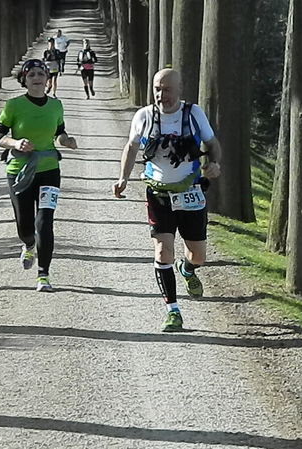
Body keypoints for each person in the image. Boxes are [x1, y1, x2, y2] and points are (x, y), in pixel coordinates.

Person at [113, 68, 222, 332]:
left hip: (191, 191)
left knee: (198, 255)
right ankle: (173, 310)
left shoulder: (193, 114)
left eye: (168, 89)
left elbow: (212, 143)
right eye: (158, 89)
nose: (163, 95)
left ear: (180, 89)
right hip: (158, 193)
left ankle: (187, 269)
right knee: (163, 250)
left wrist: (214, 164)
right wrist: (123, 178)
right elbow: (131, 147)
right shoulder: (144, 116)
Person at [0, 59, 78, 292]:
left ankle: (44, 275)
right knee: (25, 226)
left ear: (48, 79)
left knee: (45, 221)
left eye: (41, 74)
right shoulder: (13, 106)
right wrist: (15, 143)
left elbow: (59, 133)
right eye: (32, 75)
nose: (37, 78)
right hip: (19, 171)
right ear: (24, 80)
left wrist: (66, 141)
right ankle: (28, 244)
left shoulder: (55, 106)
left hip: (49, 169)